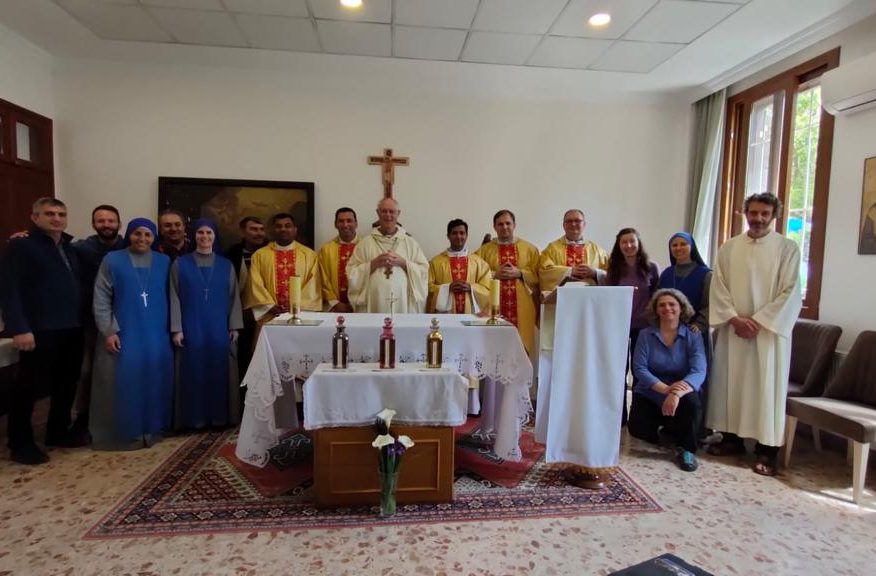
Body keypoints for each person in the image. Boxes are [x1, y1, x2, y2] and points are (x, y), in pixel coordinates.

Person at [706, 193, 802, 476]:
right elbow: (718, 287)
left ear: (774, 215)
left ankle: (766, 450)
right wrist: (735, 319)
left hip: (768, 333)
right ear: (745, 213)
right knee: (732, 383)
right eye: (754, 213)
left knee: (765, 387)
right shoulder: (729, 248)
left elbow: (790, 291)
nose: (758, 218)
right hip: (734, 329)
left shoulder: (787, 248)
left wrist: (758, 322)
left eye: (764, 213)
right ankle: (731, 439)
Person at [0, 198, 85, 464]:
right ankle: (20, 442)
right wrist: (19, 327)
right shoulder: (21, 246)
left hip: (72, 326)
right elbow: (9, 289)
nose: (56, 218)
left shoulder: (69, 247)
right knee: (30, 386)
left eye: (61, 213)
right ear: (35, 217)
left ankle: (57, 431)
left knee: (66, 383)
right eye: (49, 213)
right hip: (39, 329)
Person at [90, 218, 173, 450]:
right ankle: (127, 432)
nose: (142, 238)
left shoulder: (164, 261)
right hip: (124, 331)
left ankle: (153, 429)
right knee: (126, 381)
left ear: (154, 237)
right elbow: (101, 297)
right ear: (129, 234)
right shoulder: (112, 260)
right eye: (137, 233)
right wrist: (109, 330)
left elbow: (174, 296)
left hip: (157, 332)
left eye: (148, 234)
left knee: (155, 379)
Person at [170, 219, 243, 430]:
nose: (204, 237)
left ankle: (220, 418)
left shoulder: (226, 265)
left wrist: (234, 326)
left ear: (214, 236)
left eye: (209, 233)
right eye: (200, 232)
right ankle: (194, 419)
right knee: (193, 372)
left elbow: (234, 297)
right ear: (193, 235)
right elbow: (173, 296)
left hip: (219, 327)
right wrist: (177, 329)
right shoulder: (180, 264)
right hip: (190, 327)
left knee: (219, 371)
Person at [629, 289, 706, 472]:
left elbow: (699, 370)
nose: (667, 308)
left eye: (672, 304)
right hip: (651, 391)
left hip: (682, 390)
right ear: (656, 310)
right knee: (639, 431)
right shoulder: (645, 335)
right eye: (662, 305)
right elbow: (639, 368)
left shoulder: (693, 335)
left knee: (692, 404)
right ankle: (669, 427)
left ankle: (687, 449)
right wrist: (665, 389)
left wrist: (676, 393)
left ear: (681, 308)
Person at [68, 204, 125, 439]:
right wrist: (26, 234)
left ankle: (118, 414)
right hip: (90, 318)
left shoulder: (128, 246)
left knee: (120, 368)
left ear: (119, 223)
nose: (106, 225)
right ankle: (83, 417)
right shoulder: (81, 248)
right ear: (93, 224)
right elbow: (55, 246)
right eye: (101, 221)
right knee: (88, 370)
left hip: (126, 317)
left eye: (111, 221)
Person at [600, 227, 660, 426]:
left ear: (638, 243)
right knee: (618, 371)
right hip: (619, 327)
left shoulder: (651, 268)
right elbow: (608, 299)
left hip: (644, 328)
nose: (628, 245)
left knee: (640, 371)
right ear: (619, 246)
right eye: (624, 242)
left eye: (632, 241)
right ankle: (619, 416)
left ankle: (638, 416)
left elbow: (657, 296)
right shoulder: (614, 270)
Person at [346, 197, 429, 313]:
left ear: (398, 213)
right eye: (384, 211)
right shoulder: (365, 243)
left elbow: (424, 271)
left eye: (392, 211)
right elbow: (351, 273)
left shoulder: (410, 243)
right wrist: (373, 264)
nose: (388, 215)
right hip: (374, 302)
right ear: (378, 213)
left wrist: (404, 263)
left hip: (402, 302)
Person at [474, 210, 540, 354]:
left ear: (514, 225)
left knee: (521, 349)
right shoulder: (483, 251)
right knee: (493, 349)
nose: (504, 227)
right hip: (493, 306)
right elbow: (475, 275)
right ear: (494, 227)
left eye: (508, 223)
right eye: (500, 224)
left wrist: (520, 273)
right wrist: (494, 274)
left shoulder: (530, 249)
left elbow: (539, 275)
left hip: (522, 308)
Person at [244, 213, 321, 320]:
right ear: (272, 230)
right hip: (271, 314)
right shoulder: (259, 255)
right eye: (278, 226)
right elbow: (255, 284)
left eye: (287, 226)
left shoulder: (309, 255)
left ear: (295, 229)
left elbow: (313, 285)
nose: (283, 229)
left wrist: (297, 306)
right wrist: (269, 306)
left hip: (300, 314)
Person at [225, 216, 267, 384]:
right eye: (253, 229)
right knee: (243, 358)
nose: (259, 233)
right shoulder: (232, 254)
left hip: (265, 314)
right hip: (241, 314)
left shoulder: (271, 252)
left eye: (261, 229)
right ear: (242, 232)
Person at [428, 219, 492, 314]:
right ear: (448, 236)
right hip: (445, 315)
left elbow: (488, 288)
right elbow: (428, 288)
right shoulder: (435, 262)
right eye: (454, 233)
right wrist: (447, 288)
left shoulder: (479, 263)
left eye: (462, 233)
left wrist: (471, 288)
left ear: (467, 236)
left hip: (470, 315)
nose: (458, 236)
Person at [538, 209, 609, 292]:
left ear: (584, 224)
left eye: (577, 221)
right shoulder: (551, 249)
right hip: (562, 297)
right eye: (569, 221)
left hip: (589, 296)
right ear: (563, 225)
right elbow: (544, 271)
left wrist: (595, 273)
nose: (573, 224)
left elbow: (612, 275)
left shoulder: (598, 251)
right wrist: (570, 271)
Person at [657, 232, 711, 333]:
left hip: (693, 331)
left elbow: (709, 305)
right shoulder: (666, 273)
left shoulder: (706, 274)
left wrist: (699, 324)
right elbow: (657, 301)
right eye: (674, 245)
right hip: (667, 330)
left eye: (683, 244)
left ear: (692, 247)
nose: (678, 248)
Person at [317, 207, 360, 313]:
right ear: (335, 224)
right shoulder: (326, 250)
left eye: (349, 221)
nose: (345, 225)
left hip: (361, 305)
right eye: (341, 221)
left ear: (356, 224)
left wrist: (358, 302)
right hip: (335, 308)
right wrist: (335, 303)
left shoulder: (365, 246)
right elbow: (322, 278)